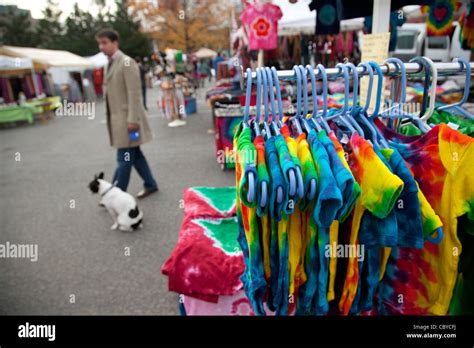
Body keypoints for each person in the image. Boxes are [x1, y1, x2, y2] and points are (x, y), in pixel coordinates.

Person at [96, 28, 159, 198]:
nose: (101, 47)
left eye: (104, 43)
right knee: (135, 154)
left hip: (129, 122)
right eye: (99, 43)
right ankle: (150, 183)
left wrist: (133, 120)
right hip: (120, 121)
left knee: (123, 158)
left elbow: (134, 93)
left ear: (115, 42)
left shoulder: (126, 62)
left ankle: (116, 194)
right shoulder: (108, 64)